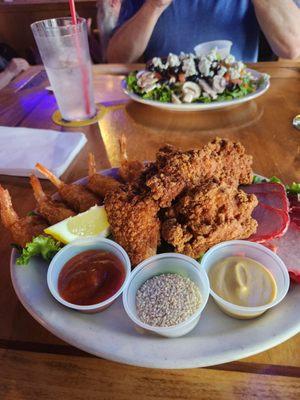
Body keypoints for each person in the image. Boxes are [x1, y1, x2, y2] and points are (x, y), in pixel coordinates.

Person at [107, 0, 300, 63]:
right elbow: (117, 57)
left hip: (237, 101)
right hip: (164, 105)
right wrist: (153, 6)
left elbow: (293, 47)